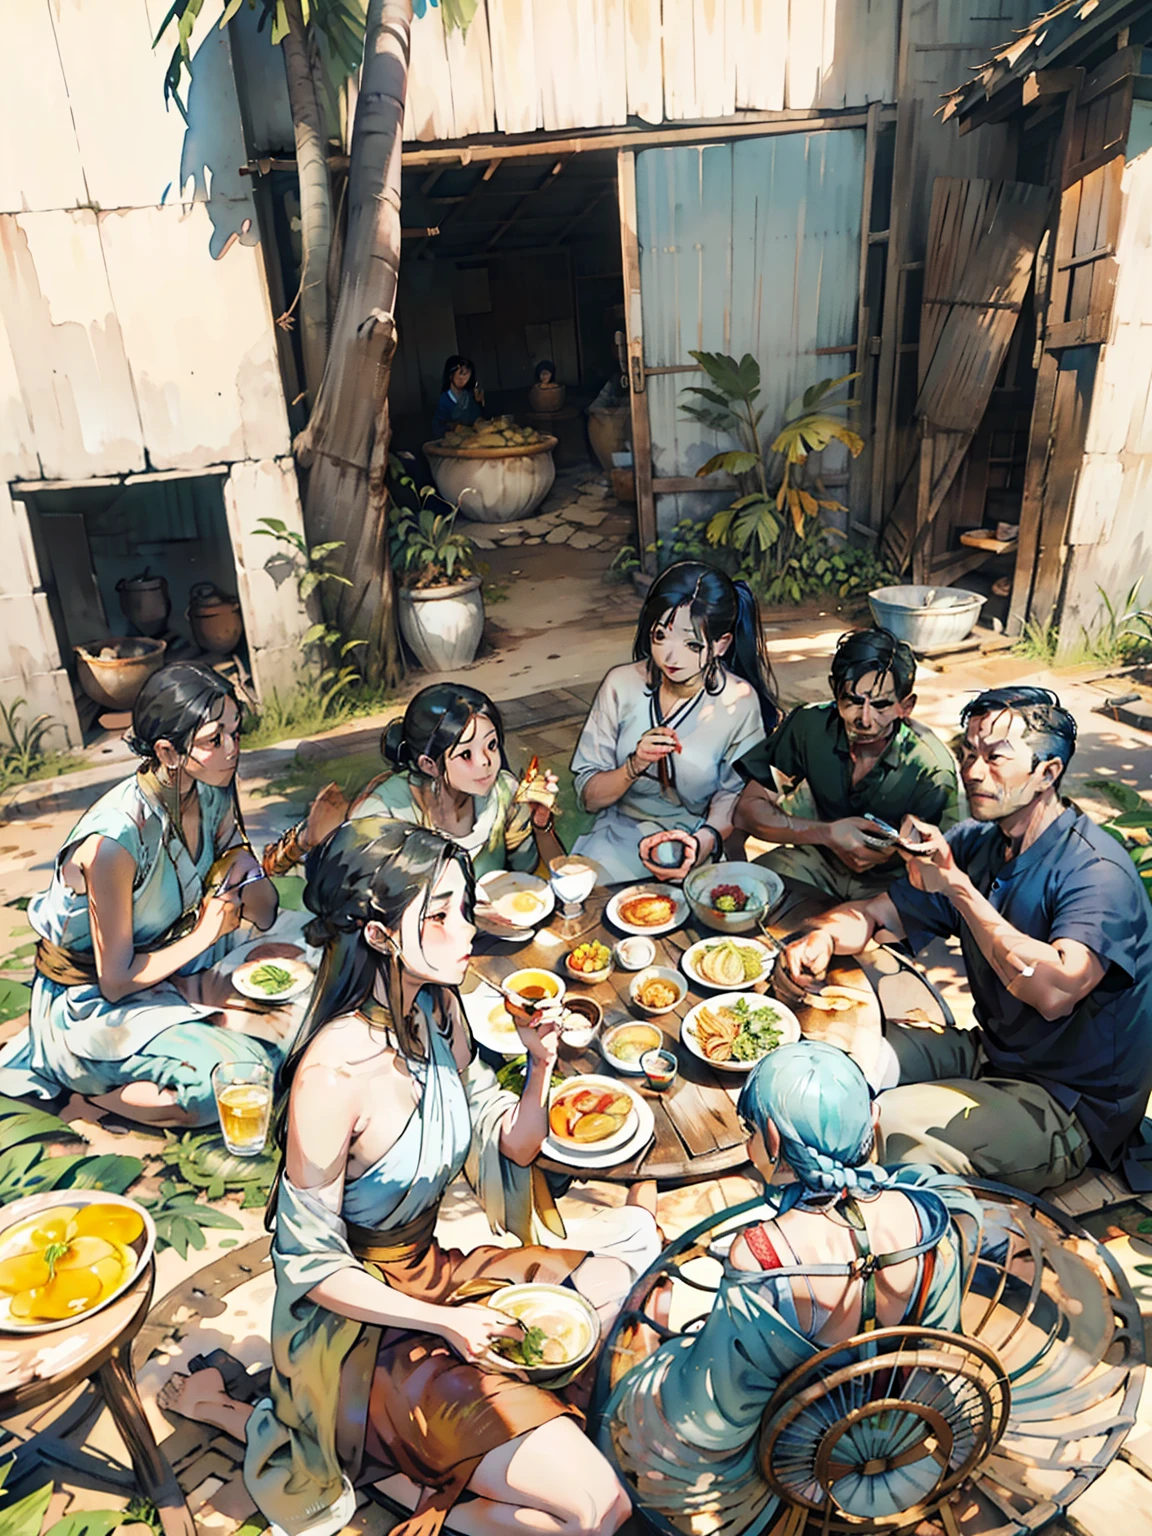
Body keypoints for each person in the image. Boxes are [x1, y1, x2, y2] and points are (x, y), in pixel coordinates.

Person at [159, 819, 658, 1536]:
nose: (468, 931)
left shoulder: (439, 1010)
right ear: (379, 935)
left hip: (431, 1274)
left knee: (624, 1290)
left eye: (464, 906)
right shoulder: (331, 1076)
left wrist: (540, 1061)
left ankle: (427, 1461)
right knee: (596, 1510)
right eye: (441, 915)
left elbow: (512, 1150)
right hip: (355, 1330)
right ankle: (384, 1465)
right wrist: (448, 1324)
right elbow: (308, 1264)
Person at [599, 1041, 983, 1536]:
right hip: (907, 1417)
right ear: (872, 1118)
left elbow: (722, 1399)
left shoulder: (762, 1254)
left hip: (805, 1449)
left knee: (639, 1378)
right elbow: (935, 1325)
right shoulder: (927, 1213)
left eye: (750, 1131)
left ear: (773, 1140)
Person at [777, 686, 1152, 1192]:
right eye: (967, 752)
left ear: (1048, 773)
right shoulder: (979, 841)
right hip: (992, 1054)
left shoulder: (1097, 872)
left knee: (877, 1123)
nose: (973, 772)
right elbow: (879, 915)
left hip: (1070, 1104)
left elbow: (1053, 992)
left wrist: (958, 887)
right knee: (829, 1060)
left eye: (996, 758)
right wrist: (821, 938)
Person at [0, 663, 290, 1127]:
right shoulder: (114, 840)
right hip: (94, 999)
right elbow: (114, 979)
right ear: (167, 752)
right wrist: (204, 935)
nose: (233, 751)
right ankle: (90, 1102)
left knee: (315, 976)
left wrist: (245, 865)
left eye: (236, 733)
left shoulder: (209, 793)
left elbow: (266, 910)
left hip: (172, 962)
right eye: (215, 740)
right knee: (237, 1078)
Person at [261, 684, 561, 931]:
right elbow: (361, 910)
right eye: (466, 754)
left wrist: (540, 823)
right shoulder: (384, 813)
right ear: (428, 764)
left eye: (492, 746)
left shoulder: (503, 791)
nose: (485, 762)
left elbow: (523, 873)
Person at [570, 561, 779, 885]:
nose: (671, 657)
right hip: (619, 836)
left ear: (721, 644)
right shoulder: (620, 685)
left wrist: (702, 843)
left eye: (692, 644)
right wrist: (633, 766)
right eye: (660, 636)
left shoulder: (738, 701)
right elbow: (589, 796)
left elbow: (732, 796)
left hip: (698, 840)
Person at [733, 626, 961, 900]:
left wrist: (902, 855)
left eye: (880, 705)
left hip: (893, 882)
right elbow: (747, 810)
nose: (865, 719)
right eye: (853, 701)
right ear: (833, 689)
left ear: (906, 705)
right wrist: (827, 833)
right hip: (819, 860)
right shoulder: (809, 726)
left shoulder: (930, 767)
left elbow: (948, 867)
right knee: (745, 891)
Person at [431, 354, 485, 438]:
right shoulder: (444, 400)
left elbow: (480, 421)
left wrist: (480, 404)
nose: (463, 378)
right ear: (450, 375)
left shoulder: (470, 396)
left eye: (466, 374)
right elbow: (438, 428)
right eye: (460, 373)